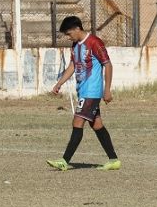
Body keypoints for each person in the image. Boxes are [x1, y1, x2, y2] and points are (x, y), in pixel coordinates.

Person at [47, 16, 120, 172]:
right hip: (83, 91)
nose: (68, 37)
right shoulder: (75, 45)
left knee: (77, 122)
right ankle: (113, 160)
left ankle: (64, 161)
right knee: (97, 125)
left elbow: (108, 65)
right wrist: (59, 83)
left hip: (91, 91)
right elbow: (73, 65)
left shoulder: (95, 42)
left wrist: (107, 90)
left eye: (69, 33)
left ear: (77, 29)